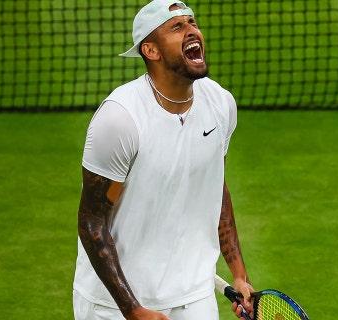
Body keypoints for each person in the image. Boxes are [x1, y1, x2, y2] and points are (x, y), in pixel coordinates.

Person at [72, 0, 254, 319]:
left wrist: (239, 273)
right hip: (115, 302)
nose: (191, 31)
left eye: (192, 22)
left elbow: (216, 189)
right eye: (176, 27)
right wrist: (133, 310)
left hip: (192, 294)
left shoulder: (221, 105)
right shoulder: (120, 120)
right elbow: (92, 221)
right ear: (151, 51)